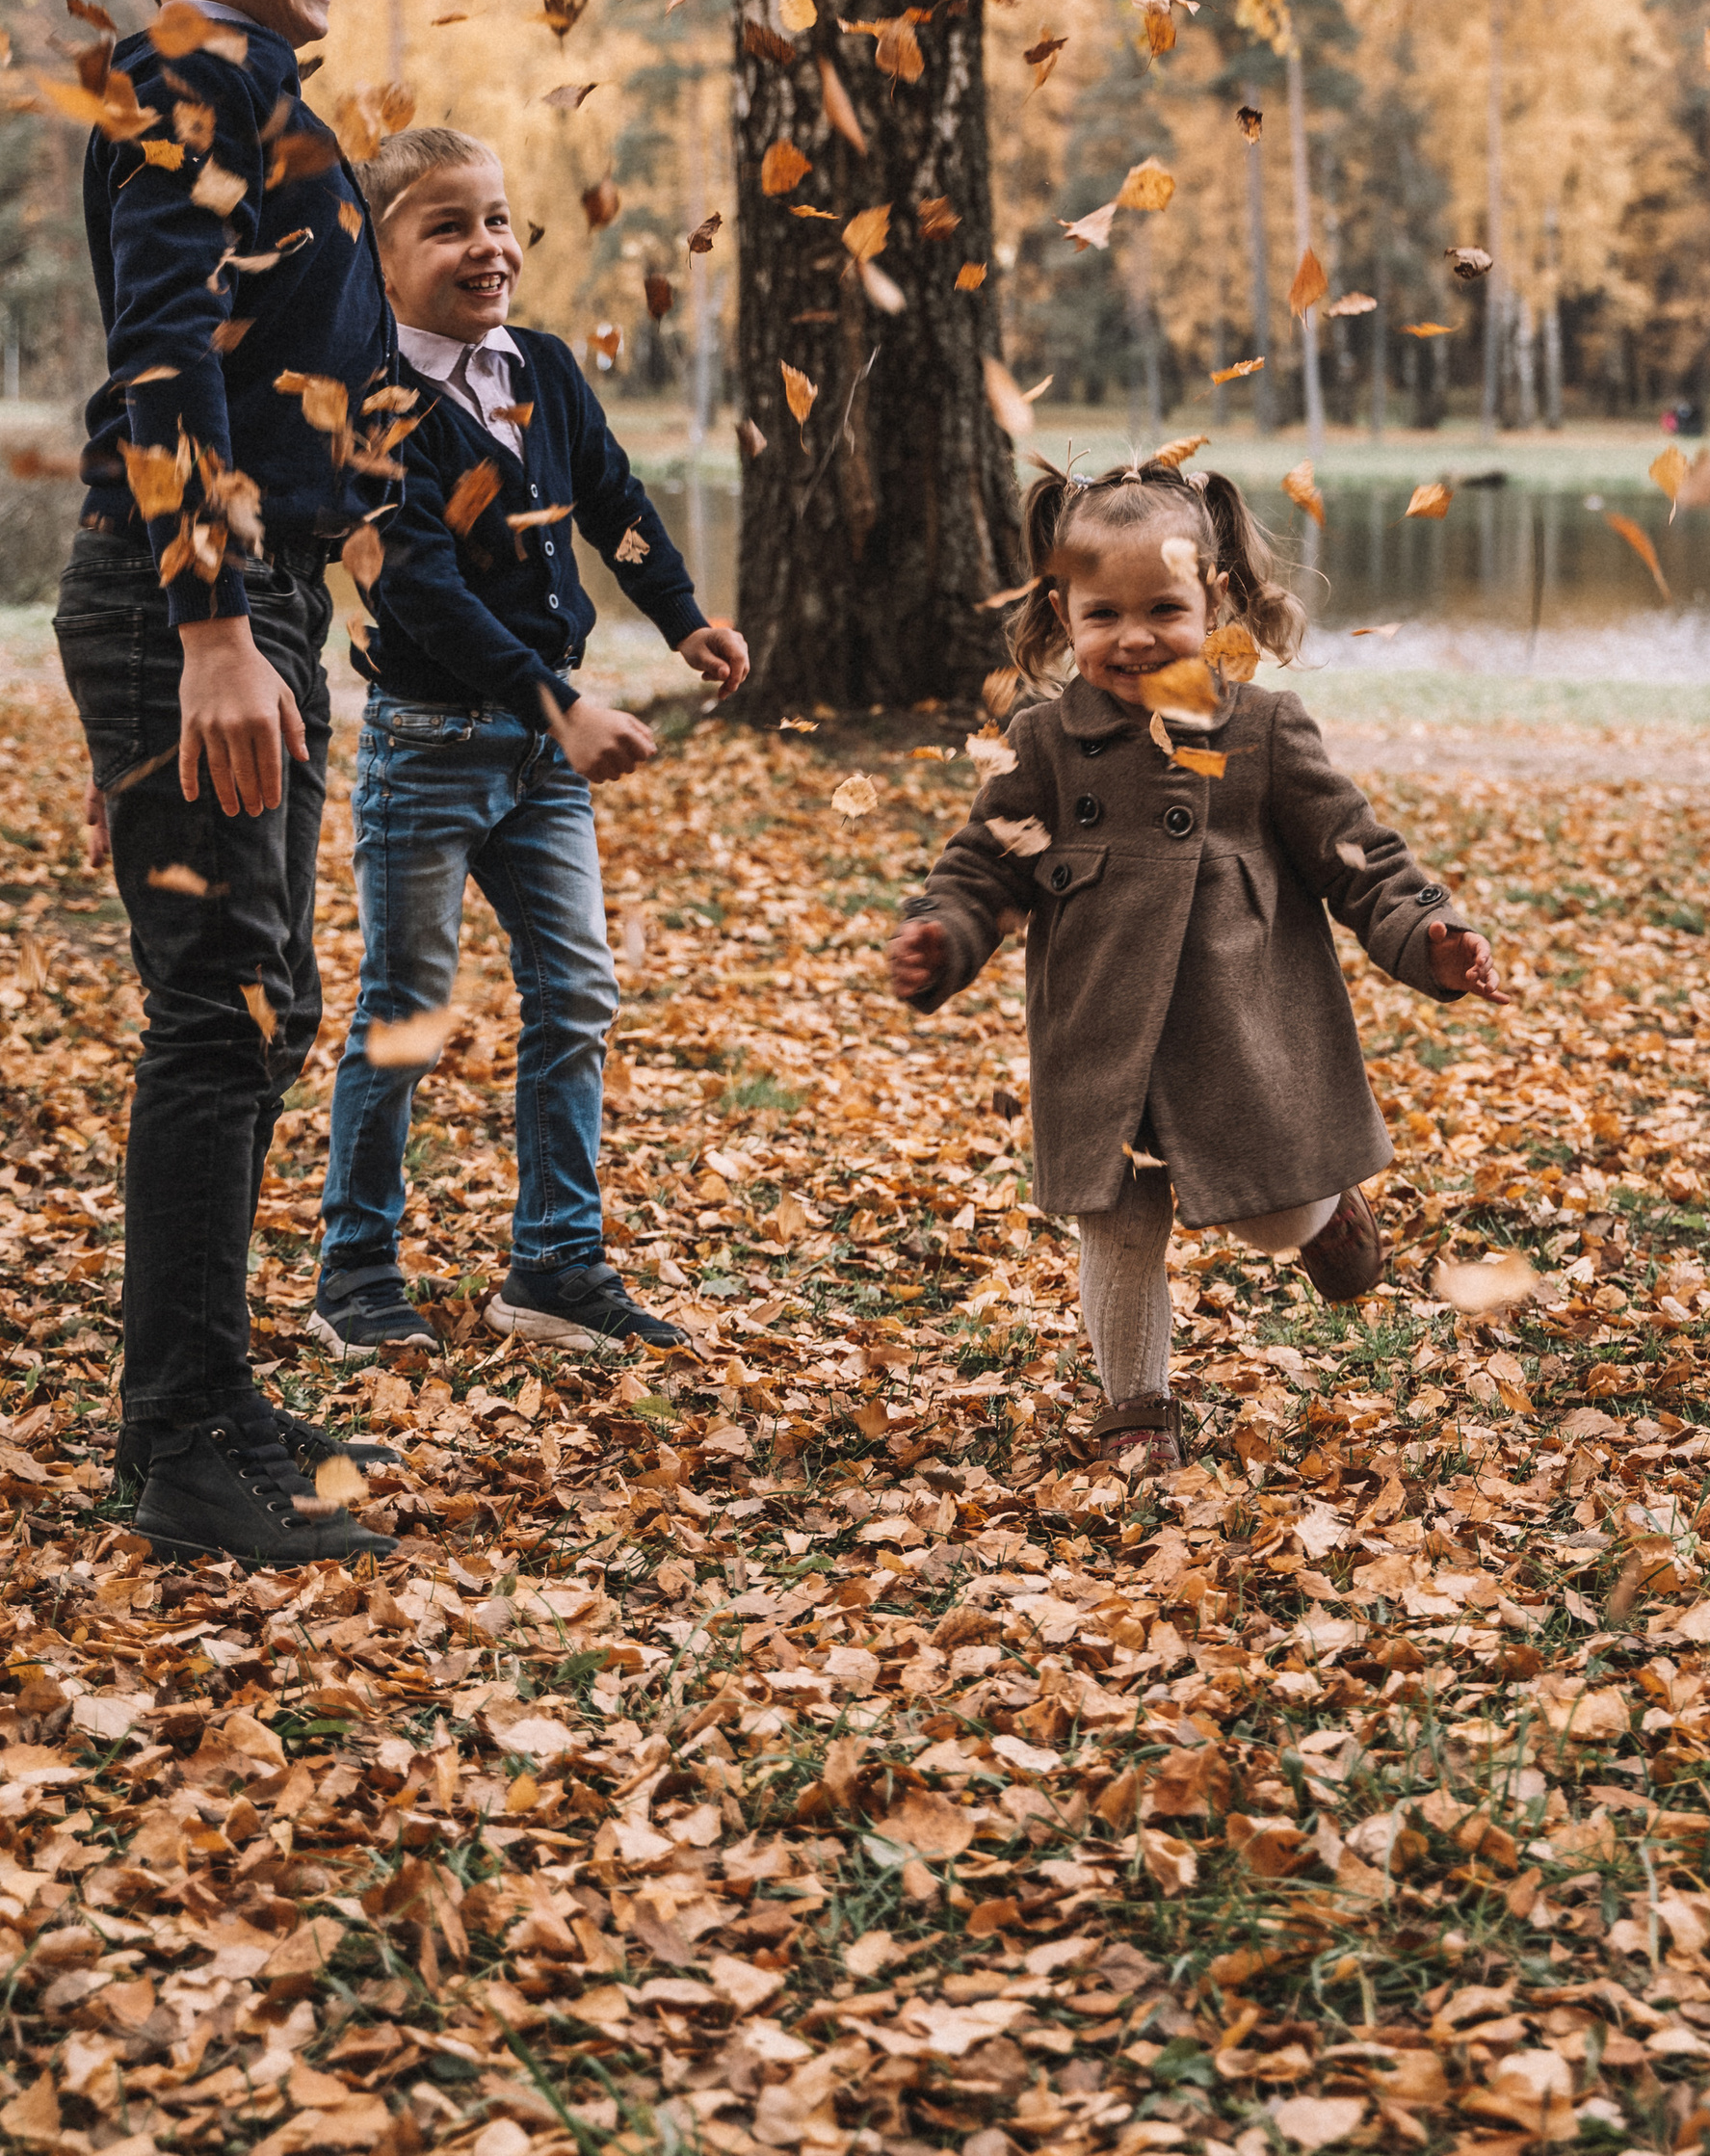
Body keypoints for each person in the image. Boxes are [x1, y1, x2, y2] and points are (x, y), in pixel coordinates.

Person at [886, 460, 1503, 1475]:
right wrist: (941, 935)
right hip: (1100, 1042)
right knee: (1118, 1230)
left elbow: (1360, 854)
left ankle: (1321, 1209)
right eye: (1102, 613)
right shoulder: (1042, 742)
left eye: (1162, 608)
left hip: (1236, 1034)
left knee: (1267, 1218)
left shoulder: (1259, 731)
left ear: (1213, 599)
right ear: (1061, 609)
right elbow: (983, 865)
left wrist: (1429, 931)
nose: (1132, 636)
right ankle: (1137, 1408)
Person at [59, 0, 398, 1566]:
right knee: (219, 1006)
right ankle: (181, 1436)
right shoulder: (189, 73)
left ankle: (218, 1390)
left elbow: (310, 388)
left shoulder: (263, 93)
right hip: (177, 594)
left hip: (254, 591)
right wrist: (206, 629)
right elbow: (161, 356)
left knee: (262, 1001)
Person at [310, 127, 748, 1360]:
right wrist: (557, 702)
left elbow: (613, 502)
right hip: (430, 746)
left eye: (498, 218)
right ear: (376, 260)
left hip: (537, 766)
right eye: (447, 226)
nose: (487, 246)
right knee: (407, 1004)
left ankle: (555, 1263)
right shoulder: (371, 407)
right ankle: (353, 1269)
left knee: (578, 992)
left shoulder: (541, 369)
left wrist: (685, 618)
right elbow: (421, 591)